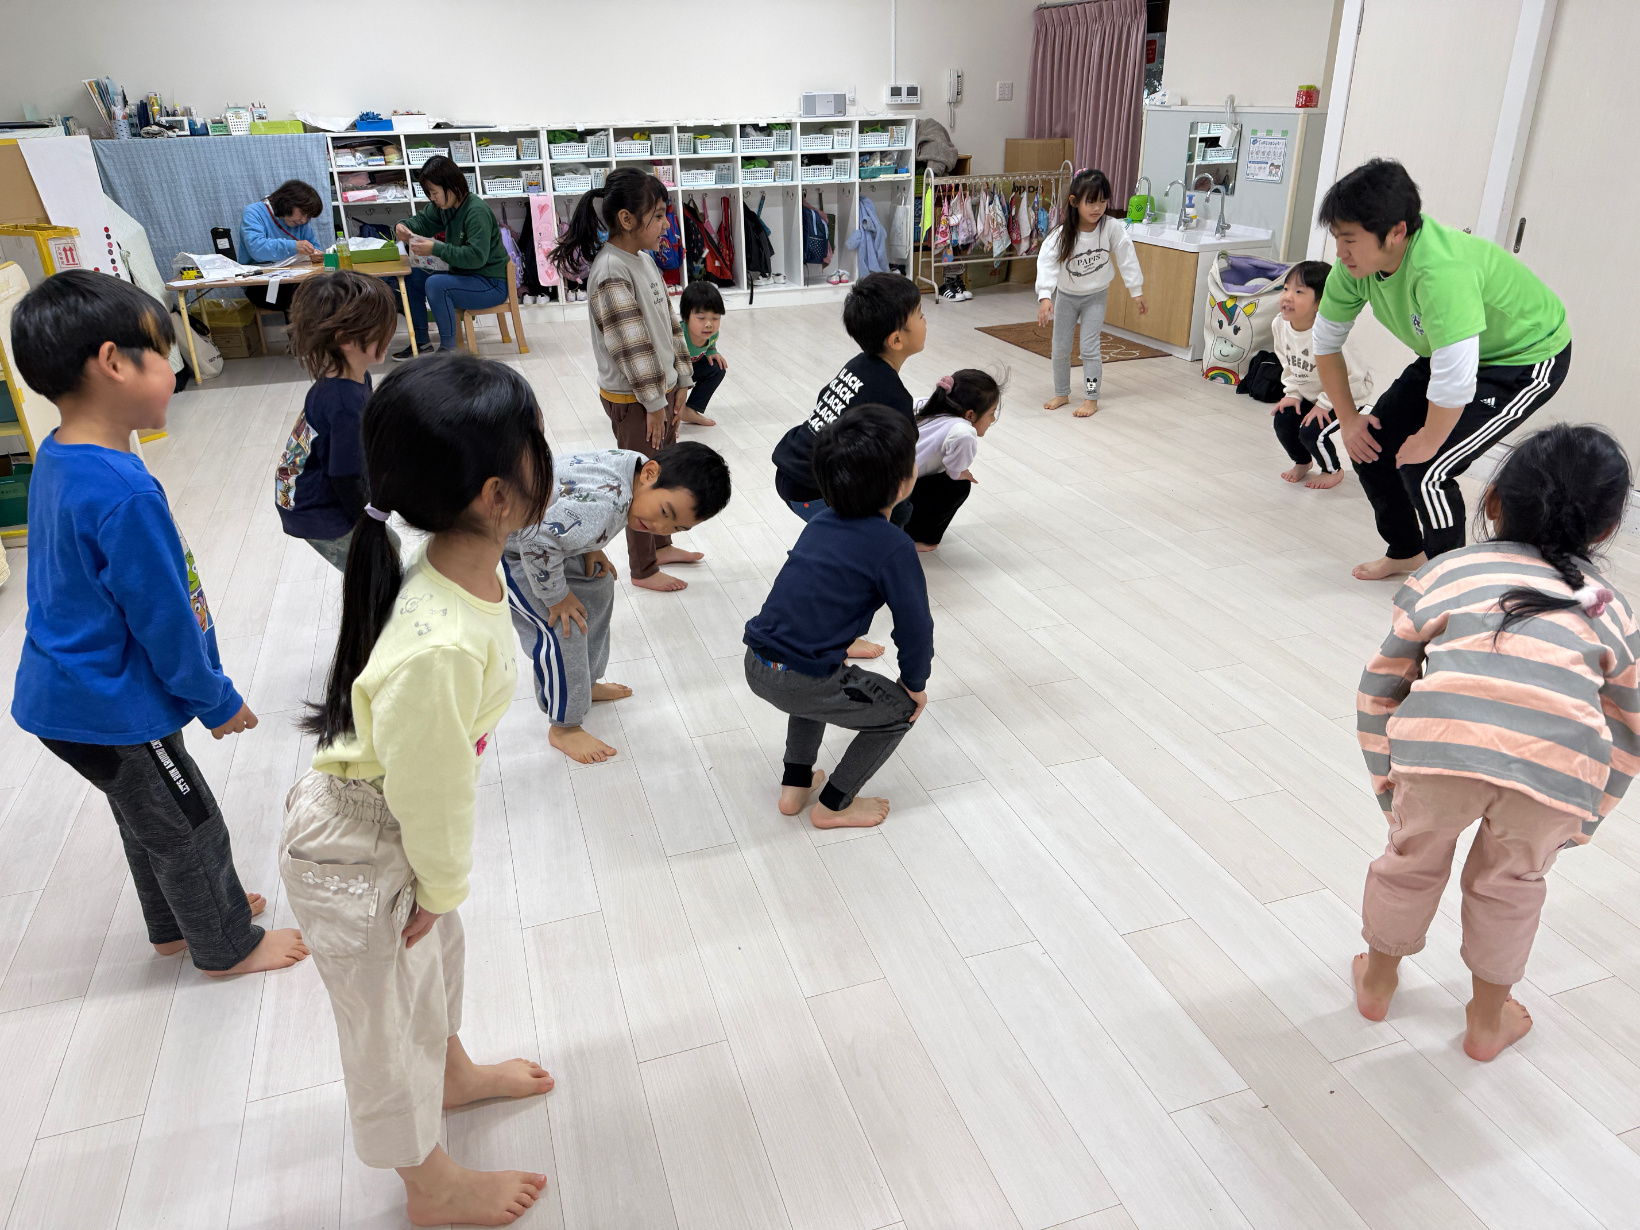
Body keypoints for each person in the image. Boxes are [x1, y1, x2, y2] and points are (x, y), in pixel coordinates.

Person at [282, 353, 555, 1227]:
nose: (545, 452)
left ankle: (452, 1073)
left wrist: (436, 888)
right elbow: (431, 792)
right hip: (361, 848)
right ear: (497, 496)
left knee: (432, 971)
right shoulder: (439, 648)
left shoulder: (451, 560)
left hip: (391, 829)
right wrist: (439, 884)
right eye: (535, 440)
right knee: (385, 1029)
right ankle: (428, 1186)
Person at [9, 271, 308, 977]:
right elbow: (164, 619)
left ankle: (177, 923)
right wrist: (216, 698)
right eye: (164, 358)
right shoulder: (123, 492)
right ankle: (225, 944)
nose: (175, 372)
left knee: (150, 818)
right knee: (190, 821)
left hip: (78, 689)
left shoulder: (61, 455)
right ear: (113, 363)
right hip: (107, 702)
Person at [1353, 423, 1640, 1062]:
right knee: (1512, 886)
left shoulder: (1448, 571)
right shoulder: (1609, 607)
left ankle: (1377, 983)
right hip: (1555, 774)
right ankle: (1487, 1022)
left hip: (1439, 753)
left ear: (1492, 502)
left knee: (1409, 862)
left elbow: (1380, 687)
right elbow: (1628, 725)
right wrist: (1587, 814)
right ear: (1606, 529)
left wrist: (1388, 781)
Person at [1314, 158, 1572, 581]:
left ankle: (1447, 580)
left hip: (1525, 357)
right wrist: (1348, 419)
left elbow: (1454, 379)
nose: (1340, 253)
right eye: (1336, 238)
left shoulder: (1440, 271)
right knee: (1370, 447)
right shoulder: (1353, 269)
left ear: (1396, 231)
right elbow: (1325, 343)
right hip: (1454, 352)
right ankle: (1406, 552)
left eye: (1350, 240)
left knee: (1427, 470)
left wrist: (1430, 439)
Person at [744, 404, 931, 830]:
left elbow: (811, 594)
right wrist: (914, 684)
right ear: (904, 482)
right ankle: (833, 804)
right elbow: (916, 628)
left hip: (756, 663)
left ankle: (795, 785)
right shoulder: (894, 545)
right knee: (898, 714)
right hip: (802, 680)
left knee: (818, 672)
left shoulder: (820, 521)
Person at [505, 441, 732, 764]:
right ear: (650, 473)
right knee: (562, 630)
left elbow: (573, 496)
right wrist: (557, 598)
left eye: (676, 528)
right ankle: (564, 726)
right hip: (512, 550)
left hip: (545, 538)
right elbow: (537, 541)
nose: (660, 528)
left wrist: (590, 544)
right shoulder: (604, 505)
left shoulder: (633, 465)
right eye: (665, 513)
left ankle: (585, 682)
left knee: (598, 586)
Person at [551, 167, 704, 592]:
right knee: (642, 483)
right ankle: (643, 568)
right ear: (626, 219)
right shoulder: (610, 270)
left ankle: (661, 545)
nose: (666, 225)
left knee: (662, 468)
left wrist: (682, 378)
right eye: (658, 216)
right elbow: (630, 348)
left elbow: (670, 324)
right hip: (635, 400)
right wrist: (654, 403)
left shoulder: (644, 260)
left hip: (659, 393)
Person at [770, 271, 925, 658]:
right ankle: (845, 635)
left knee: (897, 514)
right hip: (812, 487)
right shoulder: (893, 397)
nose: (926, 321)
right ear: (896, 339)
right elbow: (901, 465)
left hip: (795, 472)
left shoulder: (859, 365)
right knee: (867, 548)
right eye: (920, 315)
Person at [275, 270, 400, 569]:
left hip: (305, 489)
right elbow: (345, 476)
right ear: (344, 339)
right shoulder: (344, 403)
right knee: (379, 562)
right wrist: (372, 520)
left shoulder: (351, 378)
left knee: (389, 548)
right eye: (380, 330)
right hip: (316, 508)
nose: (389, 337)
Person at [1035, 168, 1147, 419]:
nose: (1097, 208)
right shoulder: (1062, 234)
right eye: (1091, 201)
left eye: (1103, 201)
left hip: (1096, 297)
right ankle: (1062, 393)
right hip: (1066, 297)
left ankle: (1091, 397)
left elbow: (1127, 256)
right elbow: (1047, 263)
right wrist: (1045, 296)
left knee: (1089, 348)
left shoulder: (1111, 228)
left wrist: (1136, 290)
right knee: (1060, 348)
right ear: (1074, 201)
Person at [1269, 260, 1372, 490]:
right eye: (1285, 289)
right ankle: (1302, 462)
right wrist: (1292, 393)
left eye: (1299, 292)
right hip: (1313, 393)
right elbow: (1286, 362)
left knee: (1311, 432)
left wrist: (1325, 404)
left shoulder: (1328, 333)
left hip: (1347, 394)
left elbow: (1353, 376)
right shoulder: (1280, 324)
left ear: (1320, 302)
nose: (1287, 297)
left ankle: (1332, 470)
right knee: (1284, 419)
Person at [391, 156, 508, 358]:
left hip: (491, 284)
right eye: (429, 194)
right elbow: (422, 222)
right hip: (465, 277)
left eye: (434, 192)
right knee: (412, 277)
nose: (432, 198)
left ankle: (448, 351)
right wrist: (403, 226)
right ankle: (421, 342)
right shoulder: (445, 207)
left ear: (451, 186)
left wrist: (435, 249)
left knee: (437, 284)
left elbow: (476, 257)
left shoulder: (476, 211)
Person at [905, 368, 1001, 551]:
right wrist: (958, 472)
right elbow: (962, 439)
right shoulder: (962, 429)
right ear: (970, 415)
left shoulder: (924, 404)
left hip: (869, 482)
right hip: (891, 494)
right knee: (958, 486)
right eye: (991, 413)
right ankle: (921, 539)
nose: (993, 418)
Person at [239, 178, 326, 317]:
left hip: (296, 278)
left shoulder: (301, 222)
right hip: (261, 283)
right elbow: (256, 249)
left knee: (327, 289)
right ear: (288, 203)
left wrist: (316, 254)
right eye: (303, 213)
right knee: (303, 296)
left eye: (308, 216)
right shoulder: (254, 212)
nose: (304, 220)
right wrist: (293, 246)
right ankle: (304, 331)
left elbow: (314, 245)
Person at [679, 279, 727, 427]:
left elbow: (711, 343)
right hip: (672, 373)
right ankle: (671, 417)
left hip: (691, 369)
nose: (709, 324)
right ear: (685, 318)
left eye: (715, 318)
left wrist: (712, 350)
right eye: (701, 318)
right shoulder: (678, 335)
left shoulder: (712, 333)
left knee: (718, 368)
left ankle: (690, 410)